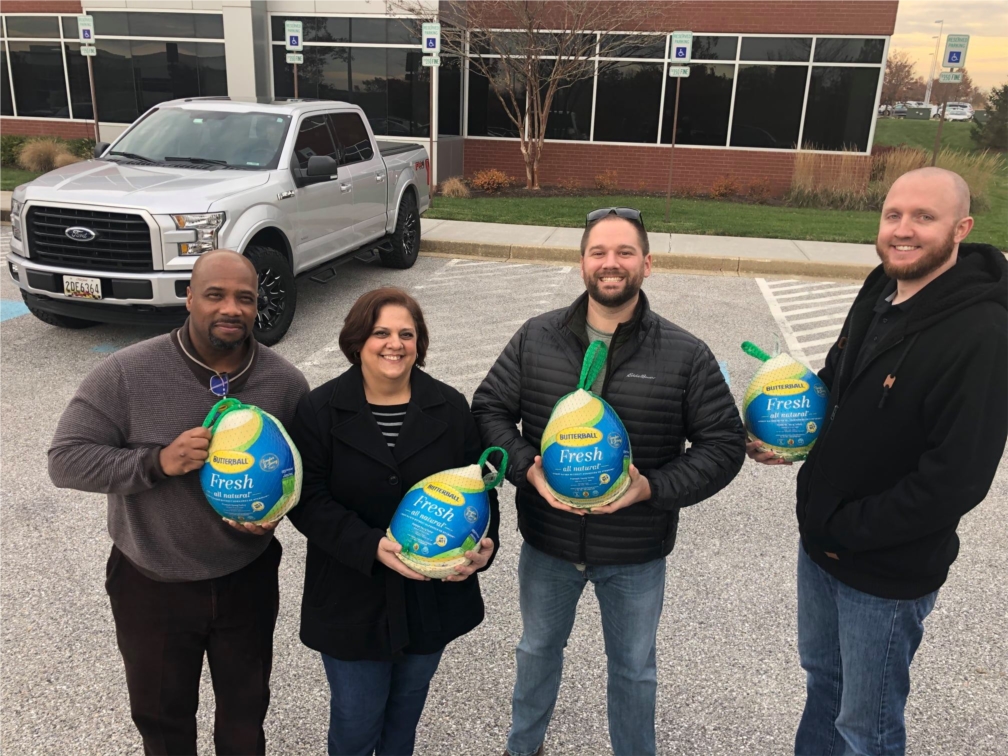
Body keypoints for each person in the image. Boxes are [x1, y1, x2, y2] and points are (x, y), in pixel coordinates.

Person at [748, 167, 1007, 756]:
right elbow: (840, 380)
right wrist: (790, 429)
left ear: (961, 228)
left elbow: (958, 479)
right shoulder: (879, 288)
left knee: (868, 727)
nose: (904, 229)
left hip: (885, 572)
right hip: (822, 544)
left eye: (924, 217)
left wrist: (850, 531)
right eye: (894, 214)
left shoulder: (983, 332)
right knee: (824, 686)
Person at [473, 208, 747, 756]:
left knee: (634, 671)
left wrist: (654, 489)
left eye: (624, 252)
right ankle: (521, 750)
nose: (611, 263)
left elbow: (724, 444)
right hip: (549, 545)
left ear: (647, 263)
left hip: (635, 550)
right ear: (582, 264)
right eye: (599, 252)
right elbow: (489, 410)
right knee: (535, 655)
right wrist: (529, 469)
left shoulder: (684, 354)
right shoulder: (536, 337)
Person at [48, 249, 309, 755]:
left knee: (245, 714)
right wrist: (157, 462)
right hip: (152, 582)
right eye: (215, 295)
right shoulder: (128, 373)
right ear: (189, 297)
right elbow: (66, 460)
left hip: (245, 578)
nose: (230, 308)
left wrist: (277, 513)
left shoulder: (284, 383)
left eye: (245, 298)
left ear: (258, 307)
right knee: (163, 721)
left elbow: (307, 473)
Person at [286, 287, 500, 756]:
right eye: (381, 332)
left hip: (431, 596)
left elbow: (480, 487)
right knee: (356, 723)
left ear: (419, 344)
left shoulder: (449, 406)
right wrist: (367, 544)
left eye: (407, 333)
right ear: (357, 340)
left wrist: (485, 546)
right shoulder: (320, 410)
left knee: (404, 719)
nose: (394, 344)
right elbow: (307, 499)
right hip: (351, 595)